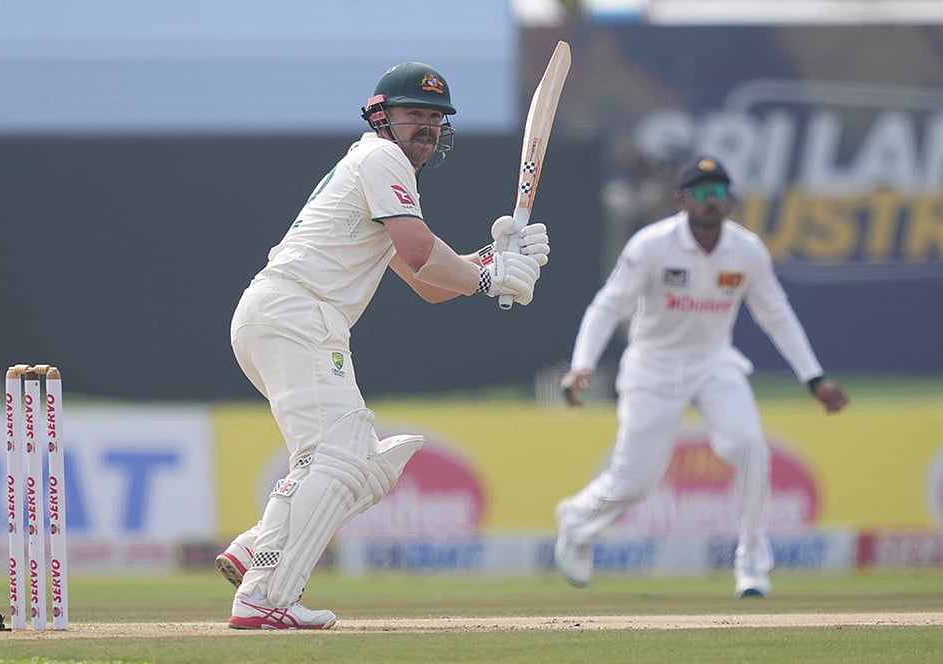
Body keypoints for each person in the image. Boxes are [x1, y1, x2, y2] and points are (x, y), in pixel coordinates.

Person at [214, 62, 550, 630]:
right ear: (381, 118)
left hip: (284, 318)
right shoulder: (380, 158)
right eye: (412, 114)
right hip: (298, 316)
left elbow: (427, 283)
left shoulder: (377, 175)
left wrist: (496, 259)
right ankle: (267, 597)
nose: (425, 126)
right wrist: (491, 279)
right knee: (341, 454)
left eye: (435, 118)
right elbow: (422, 254)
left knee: (364, 467)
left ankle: (258, 549)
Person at [556, 155, 848, 598]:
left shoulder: (746, 250)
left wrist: (814, 378)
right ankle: (578, 519)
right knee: (634, 484)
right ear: (682, 200)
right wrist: (582, 366)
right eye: (701, 194)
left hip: (714, 363)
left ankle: (751, 563)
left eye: (718, 194)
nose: (711, 202)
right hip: (652, 366)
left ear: (730, 199)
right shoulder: (651, 245)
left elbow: (777, 315)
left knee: (750, 446)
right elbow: (608, 306)